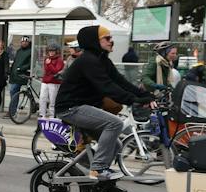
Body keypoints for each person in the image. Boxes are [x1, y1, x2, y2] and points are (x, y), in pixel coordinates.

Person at [53, 24, 151, 182]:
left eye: (111, 38)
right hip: (70, 108)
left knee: (117, 145)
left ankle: (91, 171)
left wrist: (145, 95)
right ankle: (98, 170)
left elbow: (121, 82)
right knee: (115, 124)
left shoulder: (102, 60)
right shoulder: (88, 61)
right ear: (94, 41)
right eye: (107, 38)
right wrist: (134, 100)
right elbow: (107, 87)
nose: (111, 41)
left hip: (83, 107)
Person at [6, 35, 33, 117]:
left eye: (26, 41)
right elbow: (15, 62)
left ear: (28, 42)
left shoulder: (31, 51)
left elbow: (31, 63)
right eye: (22, 41)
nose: (24, 43)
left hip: (23, 75)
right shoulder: (19, 51)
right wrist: (11, 71)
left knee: (15, 92)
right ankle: (12, 111)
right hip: (15, 75)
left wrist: (21, 68)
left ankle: (13, 112)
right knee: (13, 92)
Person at [38, 44, 65, 119]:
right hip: (45, 81)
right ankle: (42, 114)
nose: (51, 52)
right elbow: (46, 70)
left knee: (52, 101)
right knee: (42, 98)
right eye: (50, 51)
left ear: (56, 51)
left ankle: (52, 116)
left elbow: (56, 71)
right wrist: (49, 65)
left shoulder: (59, 60)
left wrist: (49, 64)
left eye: (53, 51)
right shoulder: (47, 59)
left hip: (54, 82)